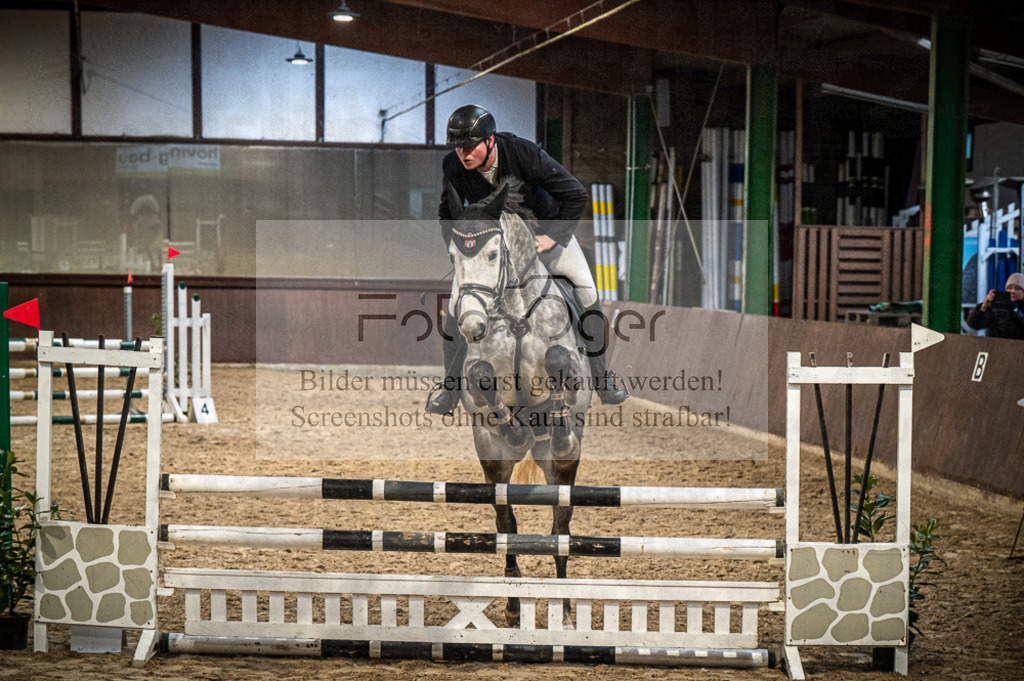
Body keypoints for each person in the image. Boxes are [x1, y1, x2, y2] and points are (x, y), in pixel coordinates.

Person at [425, 104, 629, 415]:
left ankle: (602, 378)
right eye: (458, 149)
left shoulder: (523, 154)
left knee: (586, 291)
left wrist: (553, 237)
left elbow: (575, 194)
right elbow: (446, 213)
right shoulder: (453, 167)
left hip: (544, 237)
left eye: (470, 147)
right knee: (456, 305)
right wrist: (461, 254)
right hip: (489, 252)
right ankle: (450, 389)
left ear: (490, 141)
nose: (463, 155)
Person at [966, 272, 1024, 340]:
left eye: (1017, 288)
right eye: (1010, 288)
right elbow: (974, 324)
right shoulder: (998, 306)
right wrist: (984, 307)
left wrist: (1016, 311)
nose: (1012, 291)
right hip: (997, 347)